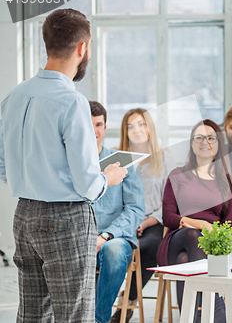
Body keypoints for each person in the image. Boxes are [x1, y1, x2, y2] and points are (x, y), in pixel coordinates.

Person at [0, 9, 127, 323]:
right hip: (67, 218)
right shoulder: (72, 102)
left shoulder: (13, 96)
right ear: (83, 48)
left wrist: (33, 177)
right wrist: (108, 177)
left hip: (24, 215)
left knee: (31, 314)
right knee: (74, 315)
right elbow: (87, 182)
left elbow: (2, 164)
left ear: (47, 42)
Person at [157, 119, 232, 322]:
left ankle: (192, 318)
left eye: (211, 138)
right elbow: (167, 217)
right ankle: (218, 313)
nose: (205, 142)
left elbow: (229, 226)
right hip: (177, 238)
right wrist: (199, 224)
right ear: (192, 143)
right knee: (193, 235)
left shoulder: (231, 181)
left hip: (213, 244)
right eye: (199, 138)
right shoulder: (177, 175)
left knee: (184, 261)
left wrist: (204, 228)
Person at [109, 108, 176, 322]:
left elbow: (172, 198)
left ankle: (126, 303)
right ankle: (104, 302)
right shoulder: (117, 158)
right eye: (131, 126)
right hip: (124, 219)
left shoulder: (165, 157)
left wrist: (148, 221)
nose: (137, 130)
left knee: (149, 247)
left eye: (141, 124)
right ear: (125, 131)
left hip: (155, 220)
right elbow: (110, 198)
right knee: (113, 251)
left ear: (149, 128)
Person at [90, 101, 145, 323]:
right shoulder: (70, 163)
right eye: (88, 124)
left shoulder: (123, 161)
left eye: (99, 124)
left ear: (105, 127)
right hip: (78, 235)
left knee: (112, 251)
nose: (94, 130)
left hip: (116, 237)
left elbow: (135, 209)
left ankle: (98, 319)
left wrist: (104, 236)